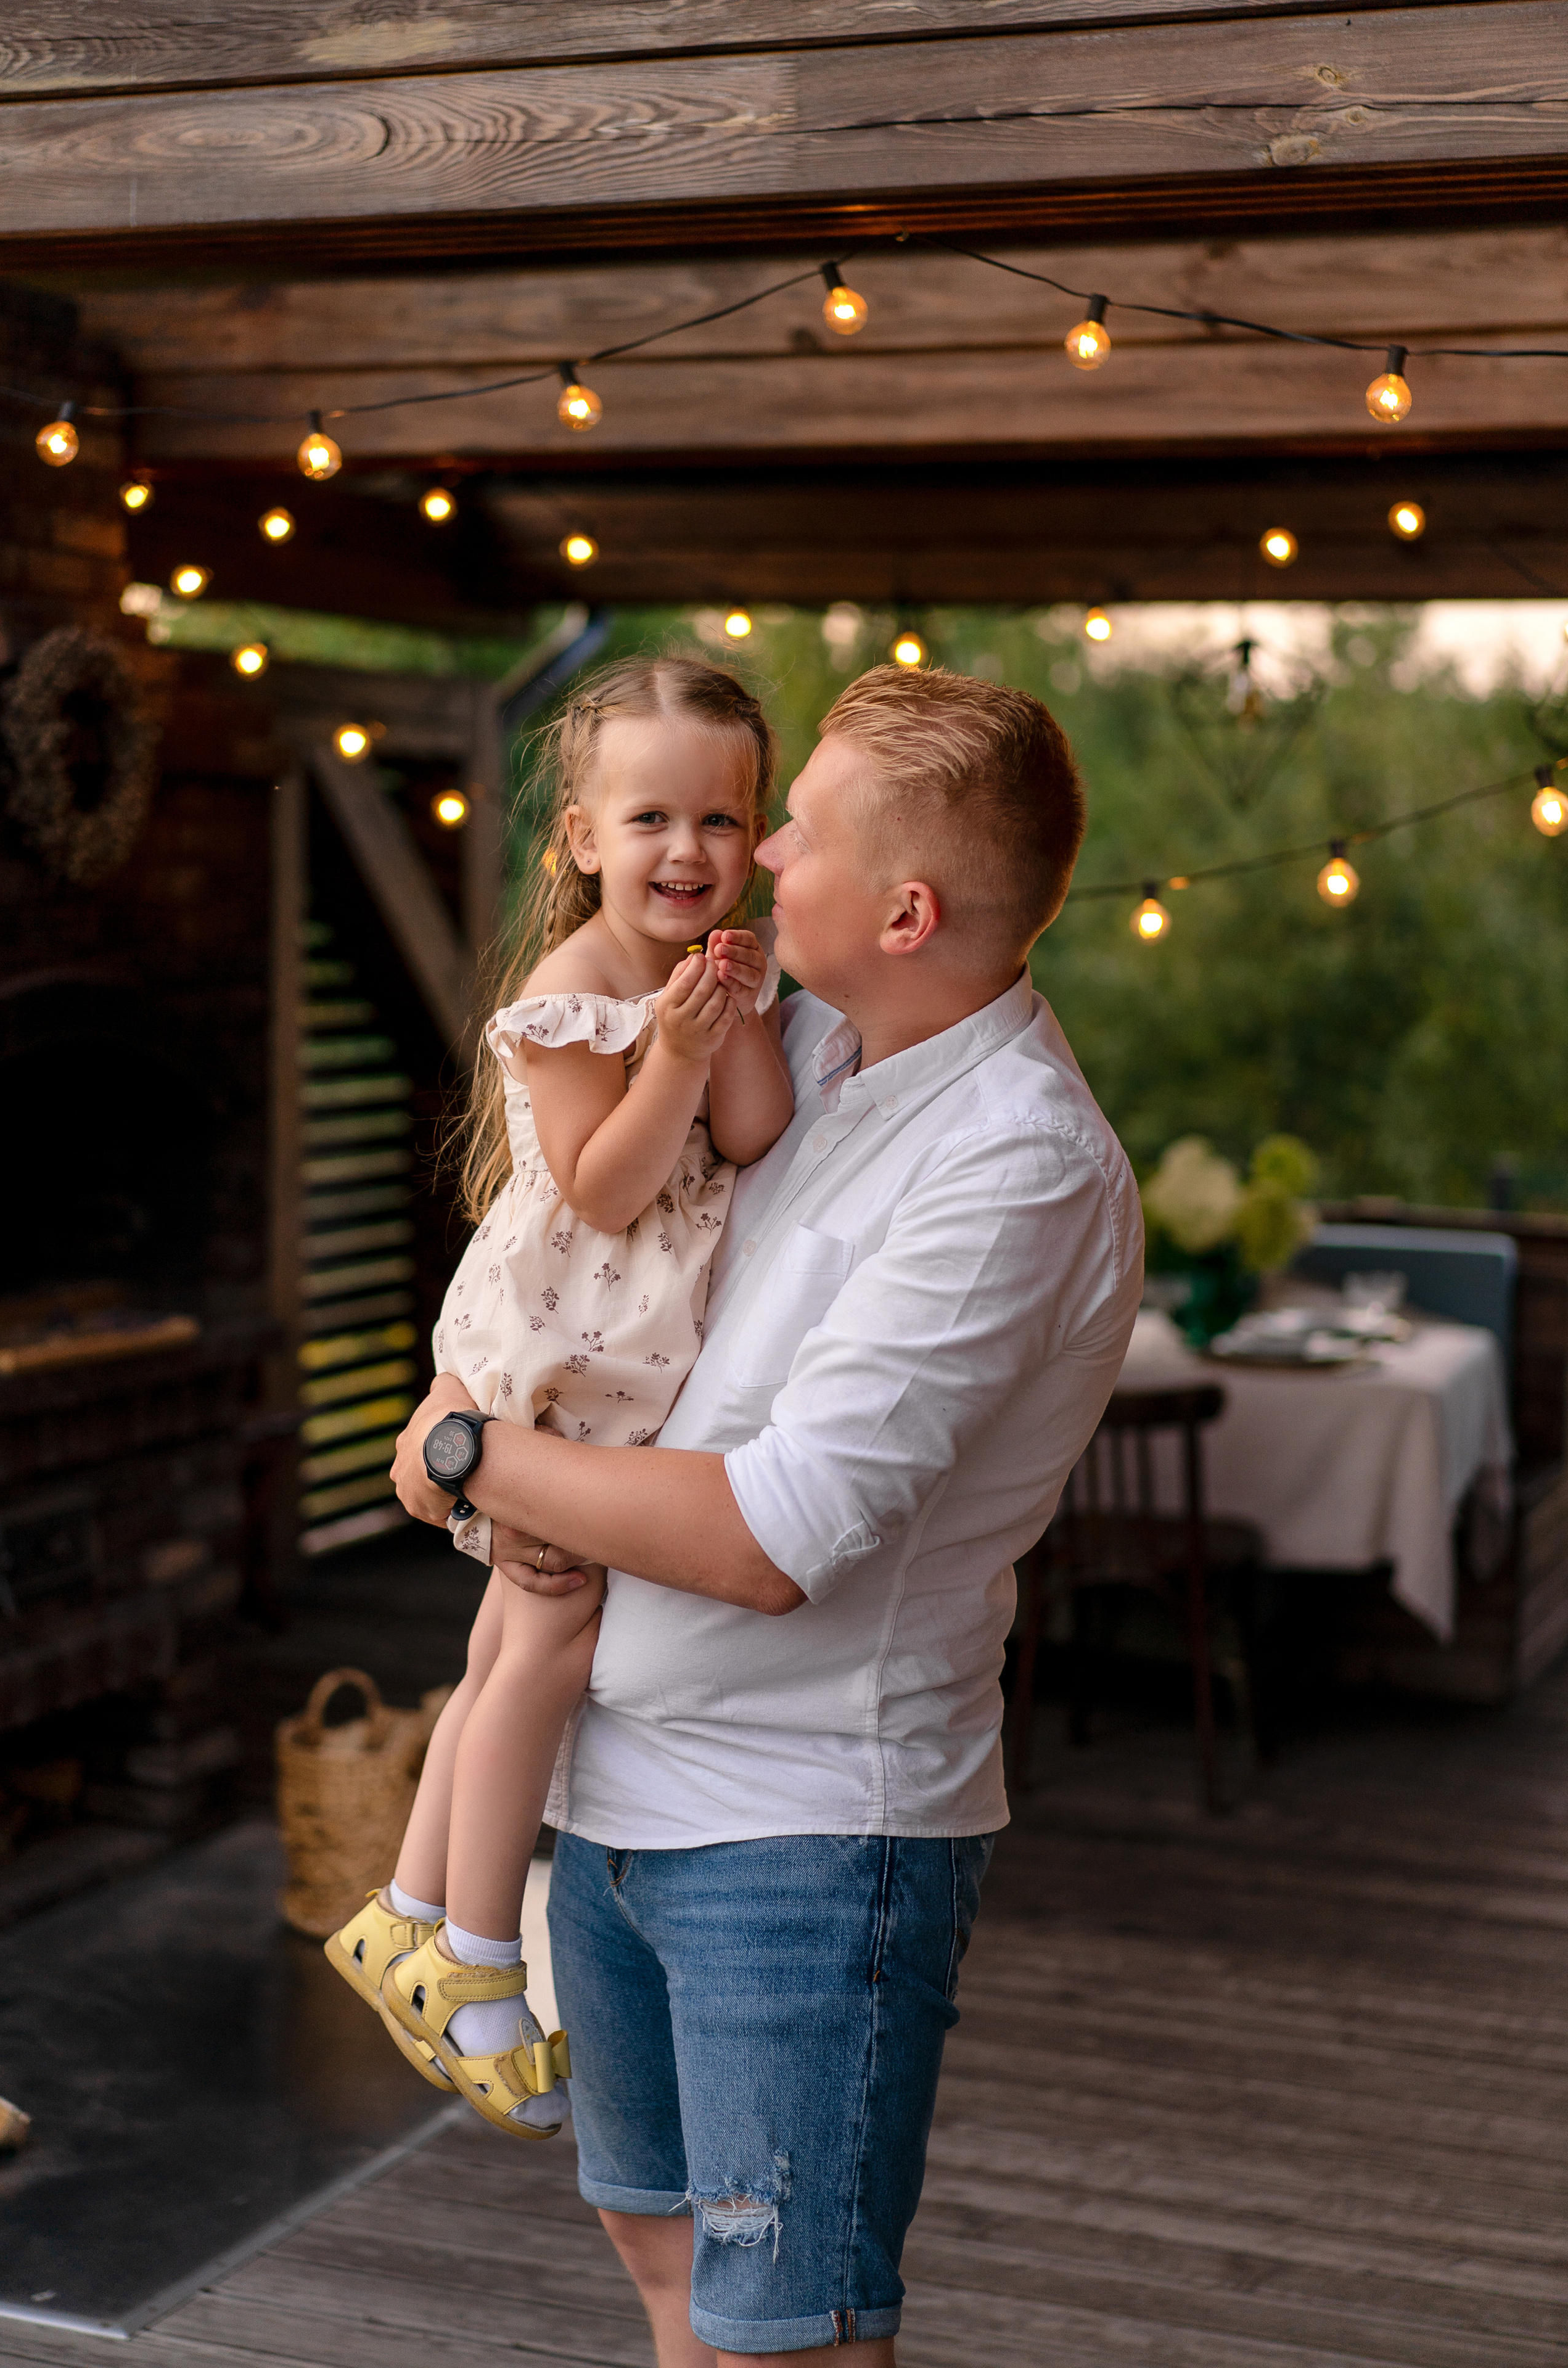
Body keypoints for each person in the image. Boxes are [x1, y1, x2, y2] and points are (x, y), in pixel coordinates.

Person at [392, 662, 1144, 2364]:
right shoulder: (796, 1033)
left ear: (908, 907)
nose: (753, 852)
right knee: (666, 2272)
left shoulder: (1018, 1163)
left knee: (780, 2337)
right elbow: (585, 1229)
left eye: (786, 822)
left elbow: (772, 1535)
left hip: (805, 1841)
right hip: (617, 1794)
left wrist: (462, 1457)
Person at [327, 656, 793, 2139]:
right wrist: (669, 1049)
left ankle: (402, 1909)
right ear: (582, 836)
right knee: (547, 1647)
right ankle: (474, 1961)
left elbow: (760, 1131)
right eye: (650, 817)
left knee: (496, 1654)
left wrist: (737, 1019)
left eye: (722, 820)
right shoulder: (569, 998)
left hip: (614, 1358)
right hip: (561, 1354)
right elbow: (603, 1190)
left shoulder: (708, 976)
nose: (687, 853)